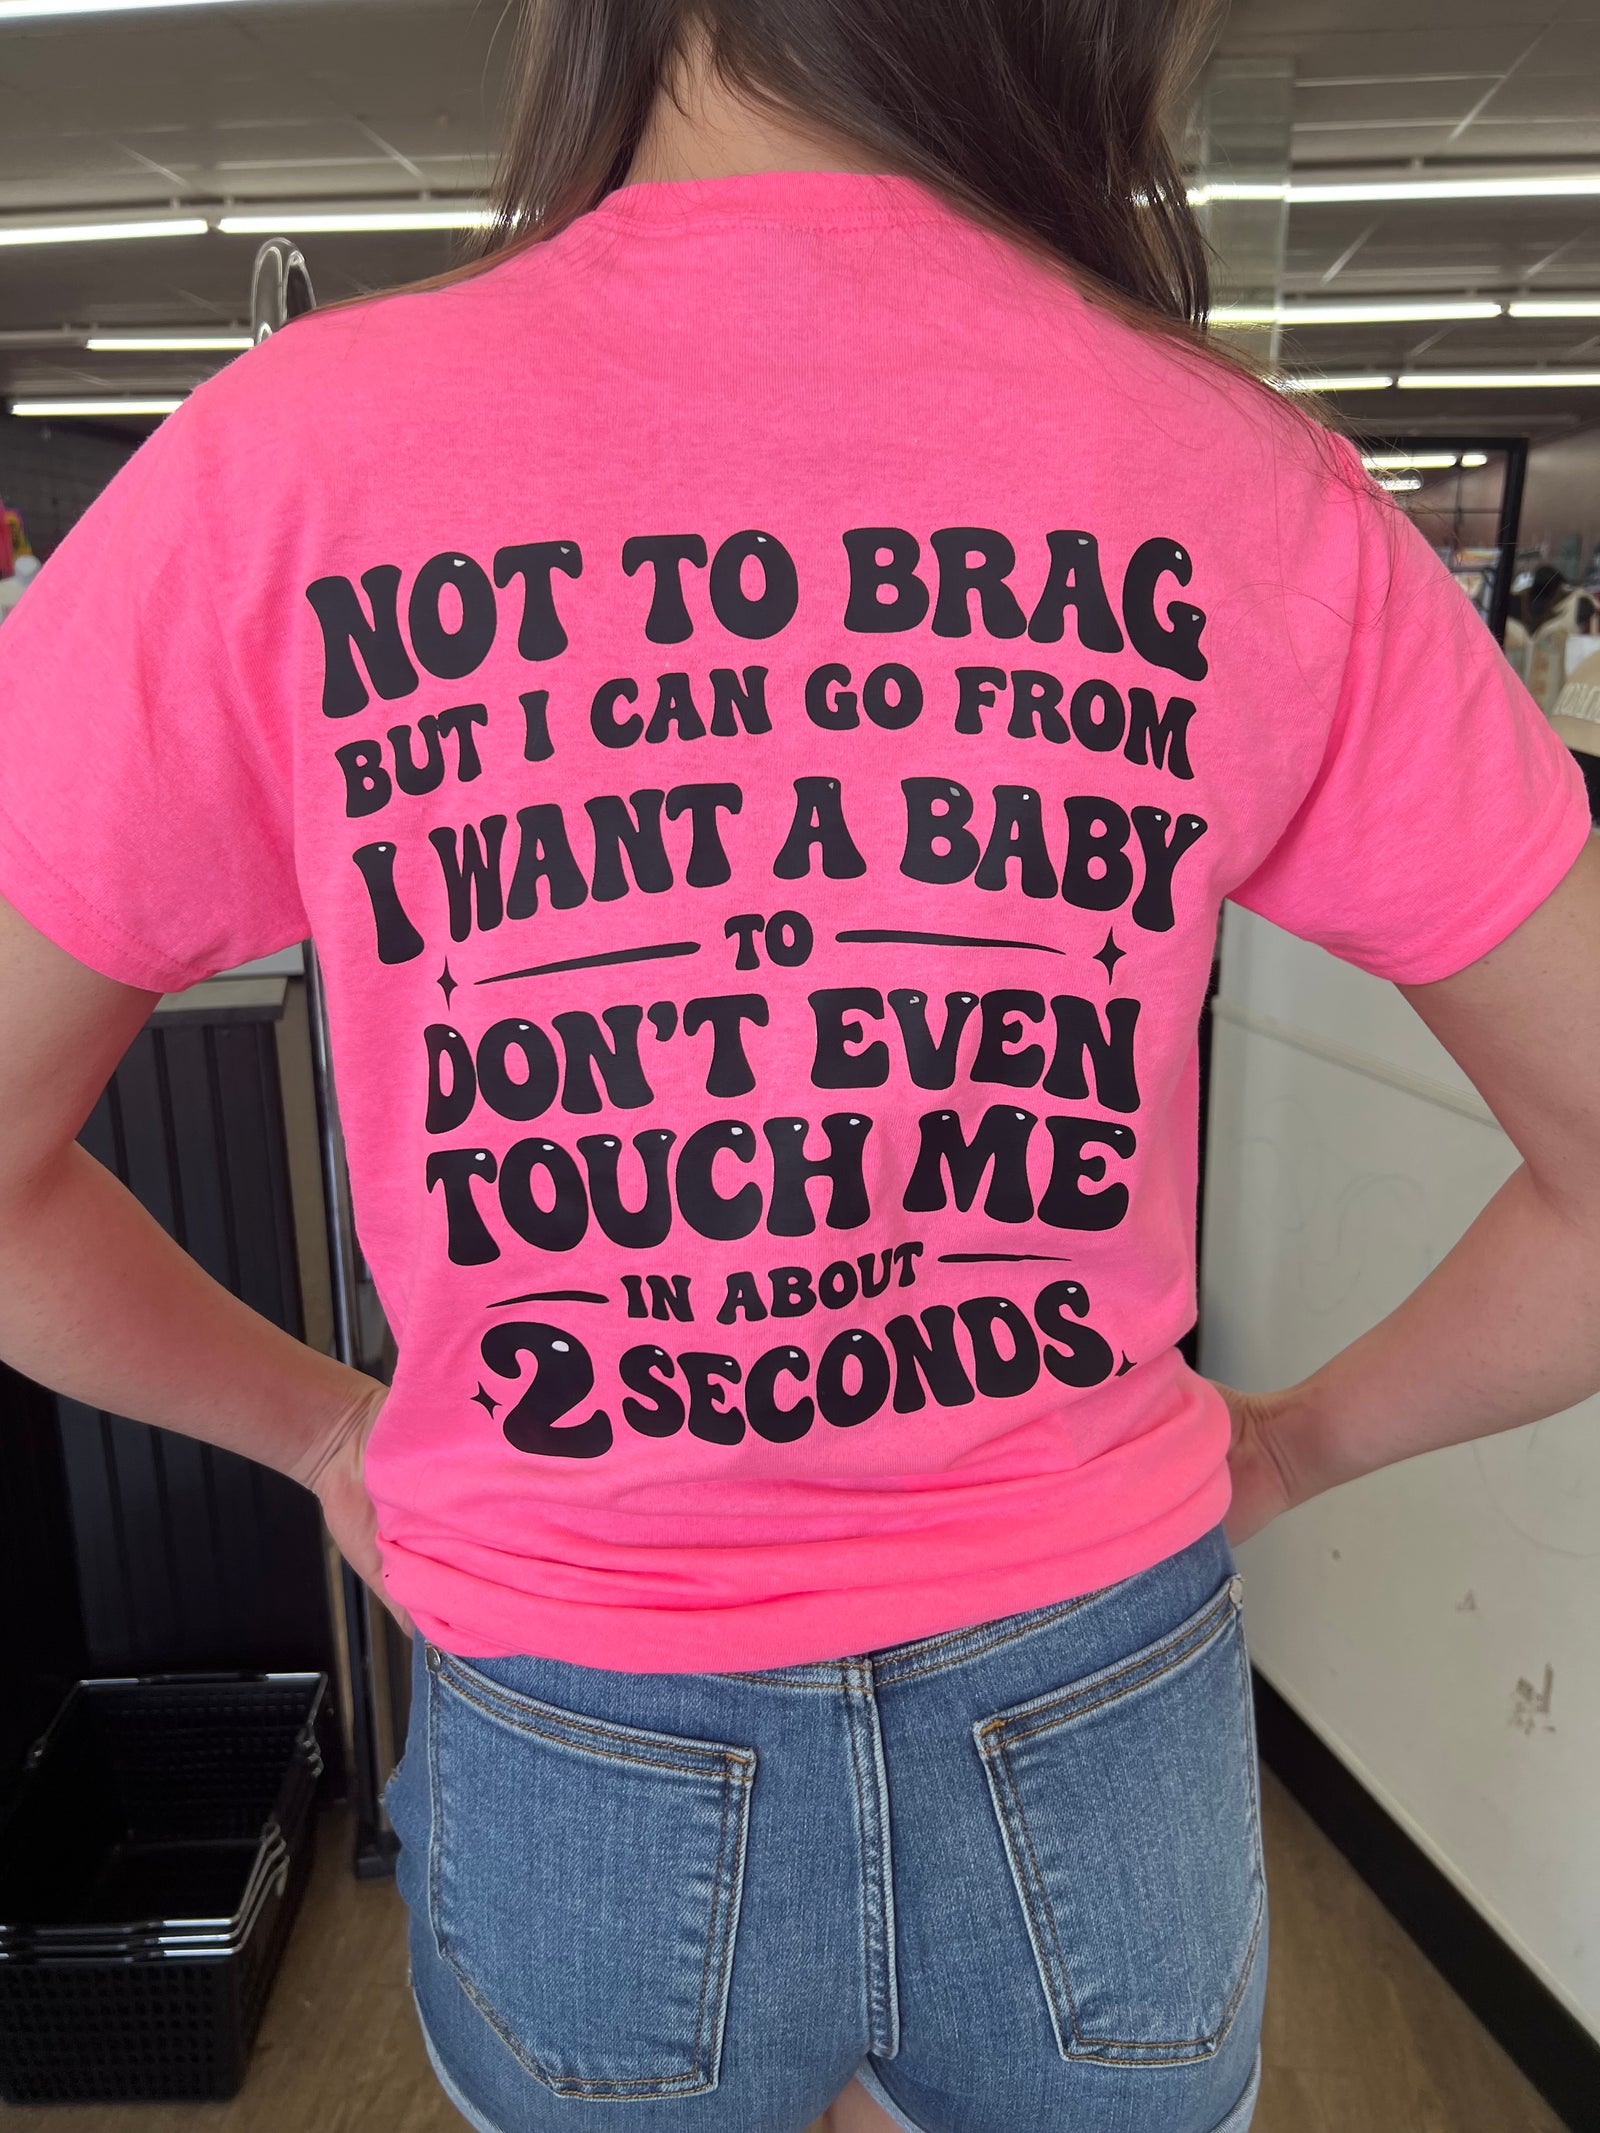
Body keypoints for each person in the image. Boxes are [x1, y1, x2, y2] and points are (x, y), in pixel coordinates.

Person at [0, 5, 1596, 2130]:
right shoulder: (1237, 475)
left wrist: (320, 1433)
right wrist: (1291, 1449)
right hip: (1092, 1701)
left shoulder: (281, 466)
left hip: (580, 1714)